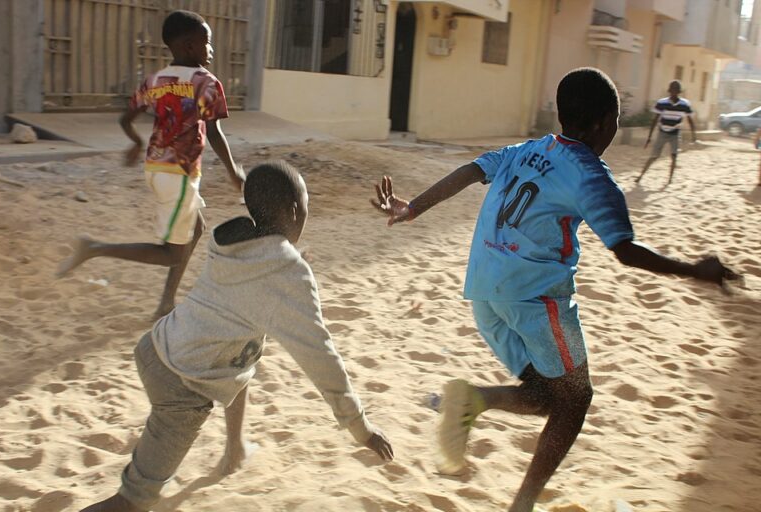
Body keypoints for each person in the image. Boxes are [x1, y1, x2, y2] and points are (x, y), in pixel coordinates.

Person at [371, 68, 737, 512]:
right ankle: (522, 504)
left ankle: (473, 401)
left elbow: (471, 171)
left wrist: (412, 208)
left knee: (549, 394)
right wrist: (695, 270)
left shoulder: (529, 148)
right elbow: (626, 251)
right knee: (576, 399)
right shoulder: (591, 175)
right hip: (535, 298)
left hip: (485, 292)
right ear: (605, 123)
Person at [79, 162, 394, 512]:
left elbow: (264, 274)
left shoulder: (236, 241)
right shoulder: (285, 272)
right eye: (307, 206)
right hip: (182, 386)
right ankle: (223, 452)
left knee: (242, 358)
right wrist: (360, 426)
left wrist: (290, 262)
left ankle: (235, 447)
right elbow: (321, 356)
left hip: (157, 345)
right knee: (132, 502)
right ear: (294, 211)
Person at [57, 10, 244, 319]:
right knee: (171, 253)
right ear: (188, 46)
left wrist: (135, 142)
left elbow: (126, 118)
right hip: (180, 174)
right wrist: (233, 171)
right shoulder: (206, 83)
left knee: (196, 228)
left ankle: (166, 303)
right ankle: (93, 248)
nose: (211, 50)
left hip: (157, 169)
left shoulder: (155, 80)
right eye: (206, 43)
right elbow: (213, 131)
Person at [636, 80, 697, 185]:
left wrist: (693, 135)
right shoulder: (662, 103)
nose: (674, 93)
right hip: (662, 132)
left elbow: (690, 120)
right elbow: (655, 120)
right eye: (672, 90)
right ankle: (641, 176)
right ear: (669, 91)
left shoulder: (684, 104)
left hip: (675, 133)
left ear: (678, 92)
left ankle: (669, 180)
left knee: (674, 156)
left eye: (676, 91)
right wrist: (649, 137)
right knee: (654, 156)